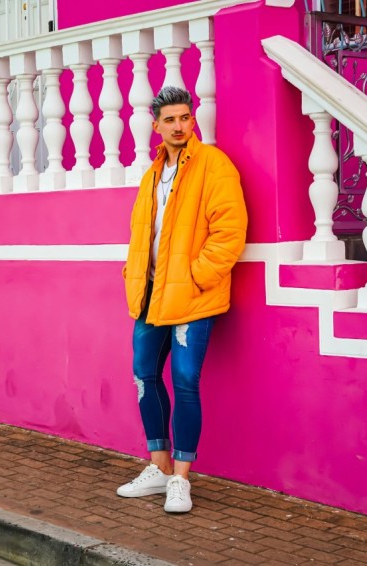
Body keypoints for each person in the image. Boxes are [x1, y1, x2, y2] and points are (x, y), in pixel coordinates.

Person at [118, 86, 248, 513]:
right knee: (144, 376)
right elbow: (142, 234)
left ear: (192, 120)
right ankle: (158, 466)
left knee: (186, 379)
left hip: (193, 296)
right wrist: (132, 274)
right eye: (170, 120)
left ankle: (181, 477)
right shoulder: (152, 174)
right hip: (150, 294)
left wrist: (195, 278)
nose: (178, 126)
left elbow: (229, 233)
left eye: (184, 118)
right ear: (156, 125)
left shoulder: (214, 165)